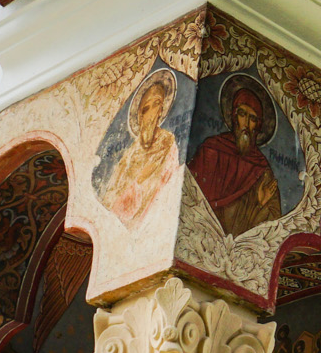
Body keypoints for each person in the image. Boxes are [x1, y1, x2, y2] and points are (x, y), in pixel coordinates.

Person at [189, 79, 283, 236]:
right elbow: (188, 192)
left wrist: (261, 205)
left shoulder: (262, 169)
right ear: (233, 116)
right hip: (199, 234)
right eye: (242, 114)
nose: (246, 123)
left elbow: (273, 228)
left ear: (258, 126)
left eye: (252, 119)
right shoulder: (211, 149)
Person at [98, 69, 179, 227]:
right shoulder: (131, 152)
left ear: (161, 109)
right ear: (140, 115)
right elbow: (112, 192)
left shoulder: (168, 143)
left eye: (156, 105)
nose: (151, 114)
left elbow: (167, 186)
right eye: (146, 109)